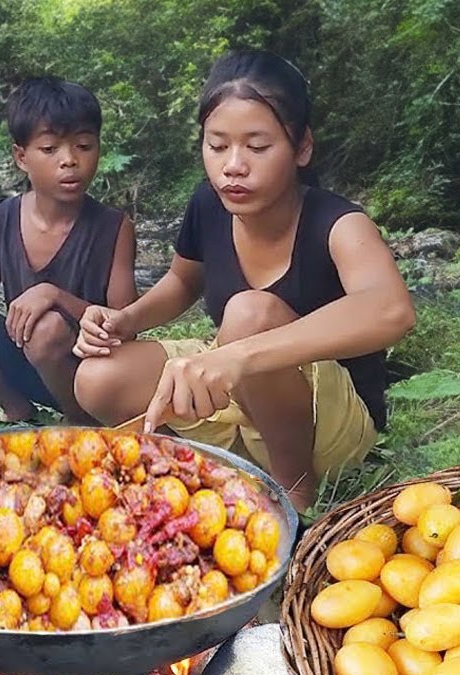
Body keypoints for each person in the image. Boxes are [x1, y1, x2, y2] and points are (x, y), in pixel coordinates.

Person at [72, 50, 415, 513]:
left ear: (302, 148)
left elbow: (390, 309)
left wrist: (236, 356)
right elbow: (181, 281)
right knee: (98, 378)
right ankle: (200, 471)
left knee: (251, 312)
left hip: (328, 422)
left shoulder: (337, 223)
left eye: (257, 147)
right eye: (217, 146)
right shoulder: (209, 204)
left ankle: (293, 491)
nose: (233, 165)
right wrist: (124, 319)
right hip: (239, 394)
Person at [0, 77, 137, 424]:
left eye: (83, 145)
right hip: (26, 361)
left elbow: (127, 324)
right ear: (21, 157)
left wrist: (55, 296)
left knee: (47, 327)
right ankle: (17, 407)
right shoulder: (5, 217)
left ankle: (79, 421)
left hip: (88, 373)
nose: (69, 160)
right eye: (50, 149)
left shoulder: (113, 227)